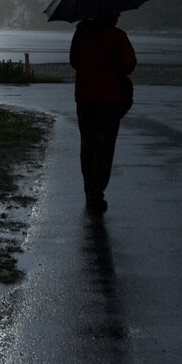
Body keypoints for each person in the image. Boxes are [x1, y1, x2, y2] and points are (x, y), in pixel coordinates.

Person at [70, 12, 136, 213]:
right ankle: (96, 193)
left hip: (84, 99)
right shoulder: (117, 36)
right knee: (104, 148)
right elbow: (129, 64)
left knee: (88, 146)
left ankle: (89, 189)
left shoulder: (81, 34)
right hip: (110, 100)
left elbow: (74, 61)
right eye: (115, 13)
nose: (117, 16)